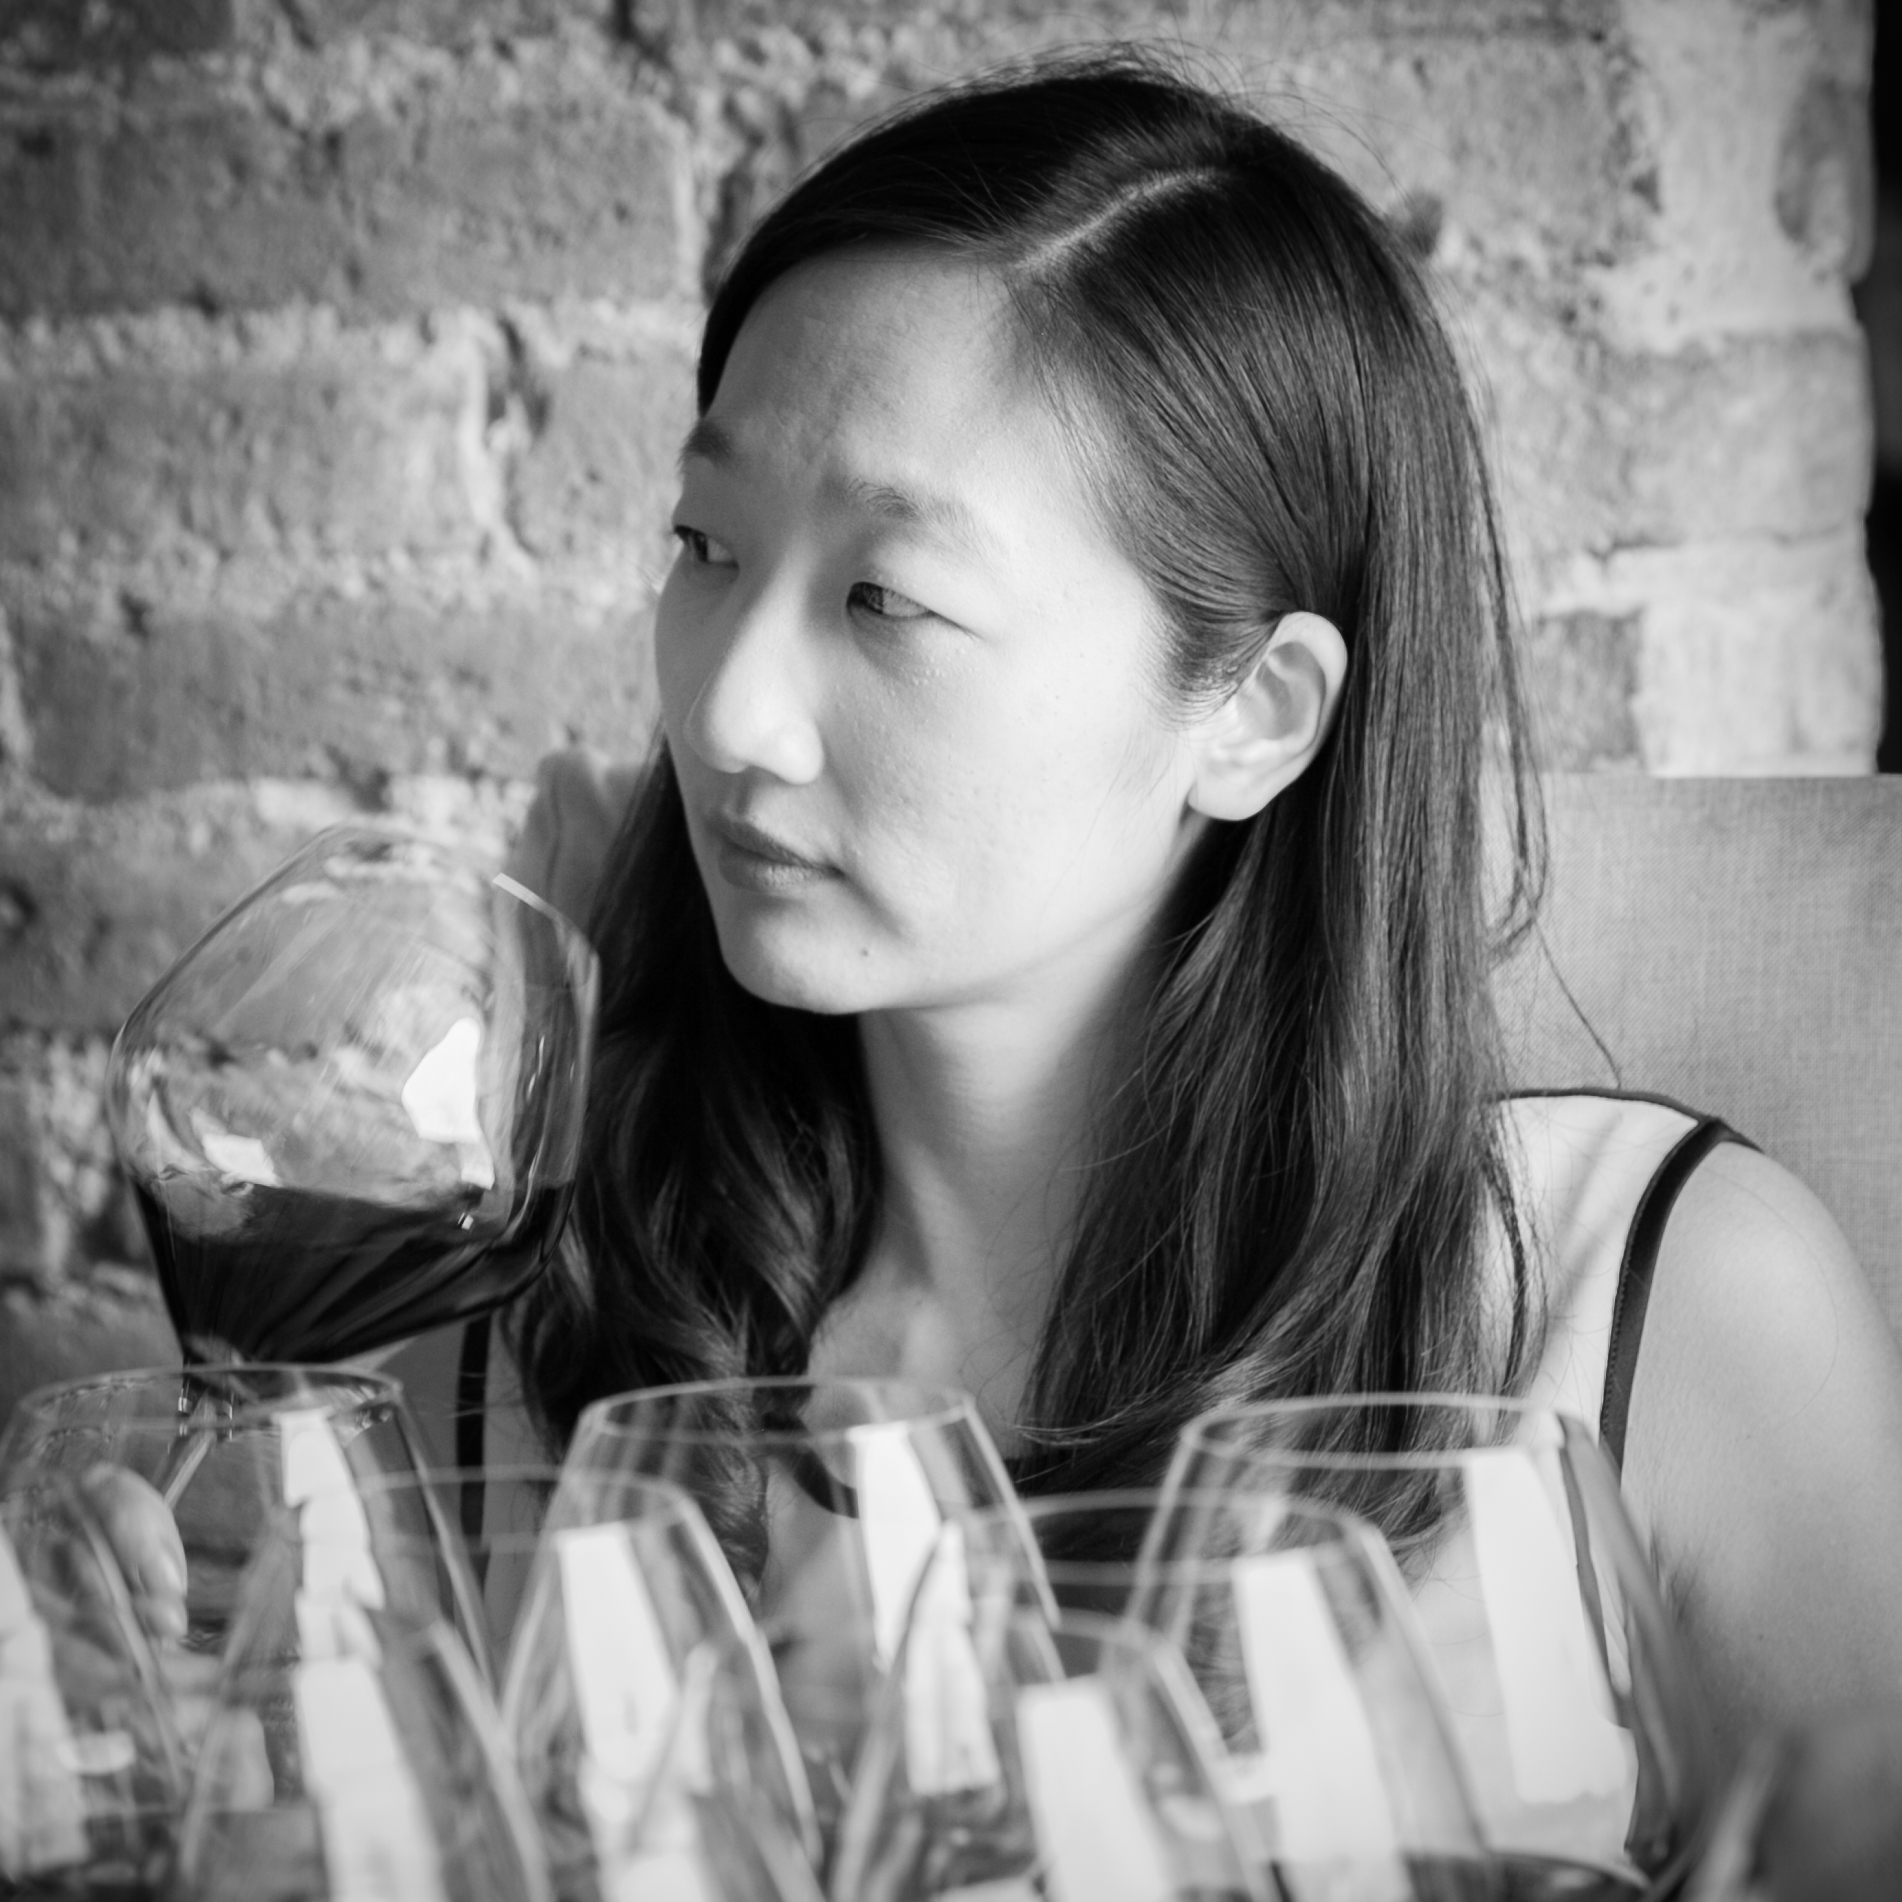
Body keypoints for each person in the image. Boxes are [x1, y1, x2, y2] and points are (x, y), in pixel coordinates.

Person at [93, 47, 1902, 1787]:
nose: (724, 714)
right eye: (706, 546)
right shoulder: (533, 1350)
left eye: (886, 597)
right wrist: (162, 1727)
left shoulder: (1649, 1309)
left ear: (1253, 712)